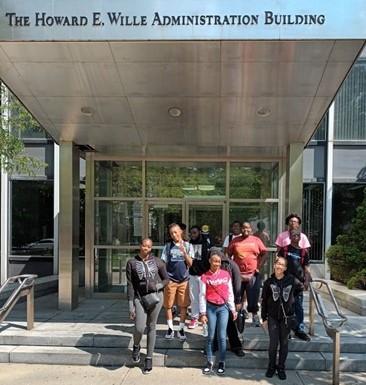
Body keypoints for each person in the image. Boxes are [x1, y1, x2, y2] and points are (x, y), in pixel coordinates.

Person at [126, 238, 169, 374]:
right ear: (140, 246)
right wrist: (130, 305)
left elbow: (166, 279)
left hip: (156, 297)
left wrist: (159, 285)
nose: (146, 249)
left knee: (152, 326)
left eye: (149, 247)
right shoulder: (131, 263)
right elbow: (130, 285)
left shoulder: (158, 262)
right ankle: (136, 346)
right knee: (139, 328)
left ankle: (149, 358)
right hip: (140, 298)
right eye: (144, 246)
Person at [261, 256, 303, 380]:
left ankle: (281, 368)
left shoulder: (291, 280)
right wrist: (264, 318)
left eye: (282, 265)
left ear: (285, 268)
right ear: (274, 265)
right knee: (273, 344)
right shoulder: (268, 282)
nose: (279, 266)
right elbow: (264, 302)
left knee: (284, 344)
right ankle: (271, 367)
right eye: (277, 264)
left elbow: (300, 288)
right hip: (273, 317)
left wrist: (293, 301)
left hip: (287, 318)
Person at [199, 250, 237, 376]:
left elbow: (230, 292)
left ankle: (222, 361)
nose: (216, 264)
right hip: (210, 308)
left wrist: (233, 309)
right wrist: (203, 313)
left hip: (223, 308)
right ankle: (209, 362)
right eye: (214, 261)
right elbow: (202, 296)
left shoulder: (226, 274)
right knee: (210, 336)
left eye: (219, 262)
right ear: (210, 261)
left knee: (221, 336)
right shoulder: (204, 277)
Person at [228, 222, 268, 327]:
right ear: (241, 229)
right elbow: (228, 256)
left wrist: (258, 267)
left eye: (248, 228)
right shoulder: (235, 241)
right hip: (238, 275)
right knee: (237, 297)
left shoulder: (256, 240)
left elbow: (265, 254)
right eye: (244, 227)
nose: (246, 229)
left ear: (251, 229)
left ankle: (255, 316)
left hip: (253, 274)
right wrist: (232, 269)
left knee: (253, 298)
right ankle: (238, 317)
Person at [161, 223, 194, 341]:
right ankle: (170, 328)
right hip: (171, 280)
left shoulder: (188, 245)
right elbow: (163, 263)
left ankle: (181, 328)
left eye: (176, 232)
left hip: (184, 280)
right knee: (168, 305)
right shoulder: (168, 246)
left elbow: (190, 263)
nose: (174, 235)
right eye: (171, 233)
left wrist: (184, 251)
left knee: (183, 305)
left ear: (181, 232)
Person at [277, 228, 311, 341]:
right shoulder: (284, 250)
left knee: (299, 307)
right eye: (293, 235)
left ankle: (299, 329)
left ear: (300, 238)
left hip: (299, 285)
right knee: (286, 306)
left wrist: (306, 281)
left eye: (297, 235)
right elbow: (280, 265)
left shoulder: (303, 252)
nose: (295, 237)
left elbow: (306, 268)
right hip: (286, 283)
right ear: (290, 237)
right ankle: (286, 329)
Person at [210, 247, 245, 357]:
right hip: (213, 300)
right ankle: (214, 345)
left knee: (230, 325)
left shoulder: (231, 265)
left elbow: (237, 283)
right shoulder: (210, 264)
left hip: (228, 300)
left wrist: (237, 301)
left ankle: (236, 346)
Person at [188, 225, 211, 332]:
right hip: (192, 273)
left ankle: (204, 316)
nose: (193, 235)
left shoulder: (206, 243)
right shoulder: (189, 244)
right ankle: (194, 317)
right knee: (193, 297)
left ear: (199, 233)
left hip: (203, 274)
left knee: (203, 295)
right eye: (191, 233)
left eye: (195, 232)